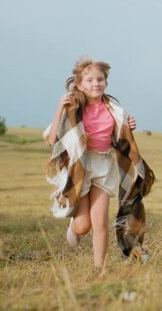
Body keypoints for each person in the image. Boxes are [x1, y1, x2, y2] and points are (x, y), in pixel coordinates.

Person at [45, 56, 144, 267]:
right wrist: (58, 109)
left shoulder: (114, 108)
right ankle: (74, 227)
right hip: (80, 167)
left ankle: (99, 268)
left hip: (103, 167)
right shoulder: (73, 108)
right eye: (89, 80)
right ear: (79, 84)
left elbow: (119, 137)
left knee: (100, 223)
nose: (95, 84)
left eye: (99, 79)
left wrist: (128, 127)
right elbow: (52, 140)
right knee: (83, 226)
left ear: (105, 82)